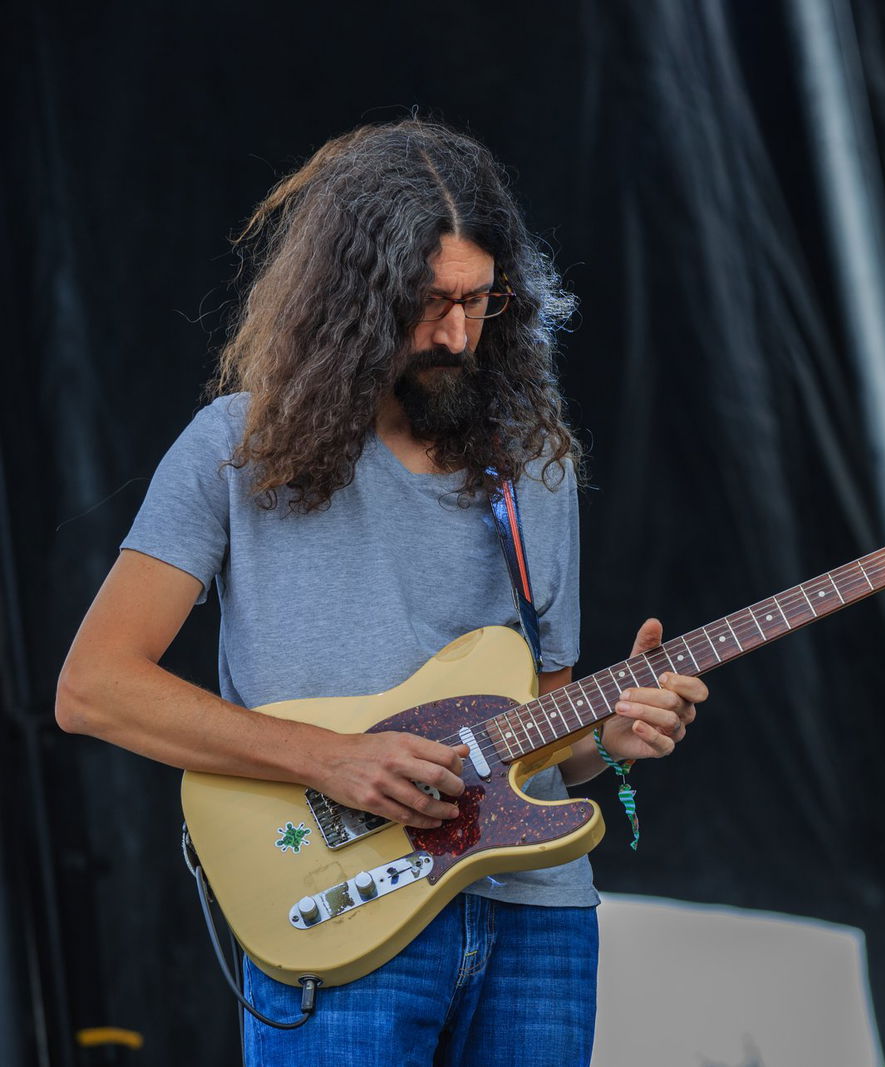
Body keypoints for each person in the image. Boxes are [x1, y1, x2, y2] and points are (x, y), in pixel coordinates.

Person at [54, 118, 708, 1065]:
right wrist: (331, 760)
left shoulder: (533, 466)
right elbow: (95, 687)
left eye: (479, 301)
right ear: (352, 297)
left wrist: (609, 735)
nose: (457, 334)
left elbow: (544, 738)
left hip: (535, 921)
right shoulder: (235, 448)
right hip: (345, 910)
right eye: (428, 303)